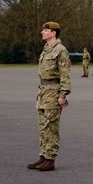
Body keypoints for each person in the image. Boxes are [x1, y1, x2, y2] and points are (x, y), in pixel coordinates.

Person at [28, 22, 71, 171]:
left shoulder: (61, 50)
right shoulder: (46, 49)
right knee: (43, 126)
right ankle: (43, 156)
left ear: (53, 33)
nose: (42, 32)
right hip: (43, 90)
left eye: (45, 30)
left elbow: (65, 75)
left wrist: (63, 95)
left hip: (53, 91)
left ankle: (50, 159)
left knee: (51, 126)